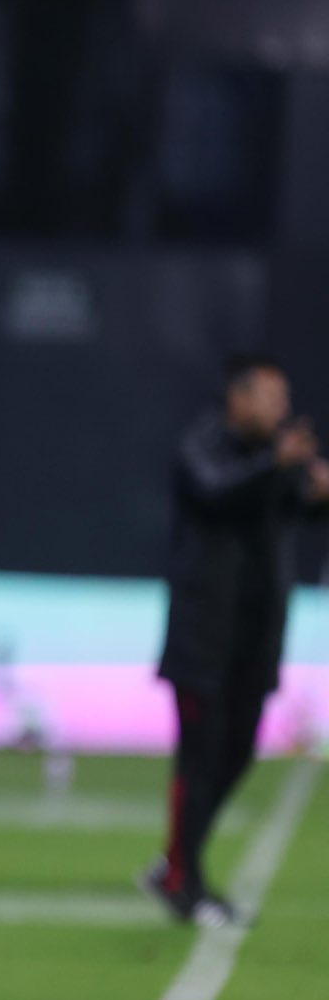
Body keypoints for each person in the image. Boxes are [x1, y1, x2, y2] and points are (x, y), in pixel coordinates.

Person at [148, 354, 329, 925]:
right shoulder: (202, 447)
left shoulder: (276, 460)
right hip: (204, 637)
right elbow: (214, 493)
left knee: (238, 753)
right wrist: (276, 464)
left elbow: (297, 508)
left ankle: (176, 863)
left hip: (257, 636)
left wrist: (318, 491)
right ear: (239, 398)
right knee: (199, 760)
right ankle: (184, 881)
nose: (281, 409)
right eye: (271, 398)